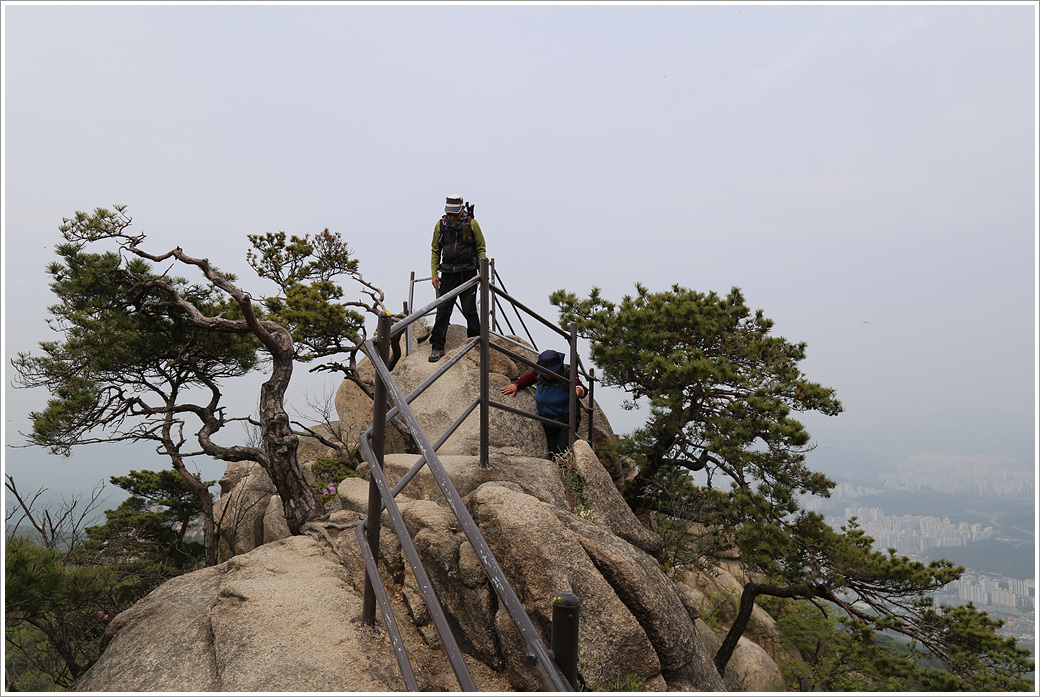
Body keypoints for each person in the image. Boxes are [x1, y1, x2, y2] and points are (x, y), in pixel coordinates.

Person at [429, 195, 487, 362]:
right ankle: (437, 347)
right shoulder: (441, 225)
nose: (452, 217)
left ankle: (476, 343)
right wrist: (434, 273)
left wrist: (481, 274)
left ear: (462, 209)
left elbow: (481, 248)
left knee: (470, 310)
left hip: (468, 273)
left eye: (454, 214)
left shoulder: (472, 224)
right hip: (448, 274)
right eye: (449, 214)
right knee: (443, 310)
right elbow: (435, 249)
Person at [500, 349, 586, 456]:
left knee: (562, 451)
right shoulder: (539, 374)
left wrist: (578, 391)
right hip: (548, 421)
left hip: (567, 420)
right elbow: (527, 379)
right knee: (552, 452)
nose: (546, 375)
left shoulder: (567, 373)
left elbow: (581, 388)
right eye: (544, 372)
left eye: (549, 372)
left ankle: (566, 466)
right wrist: (516, 385)